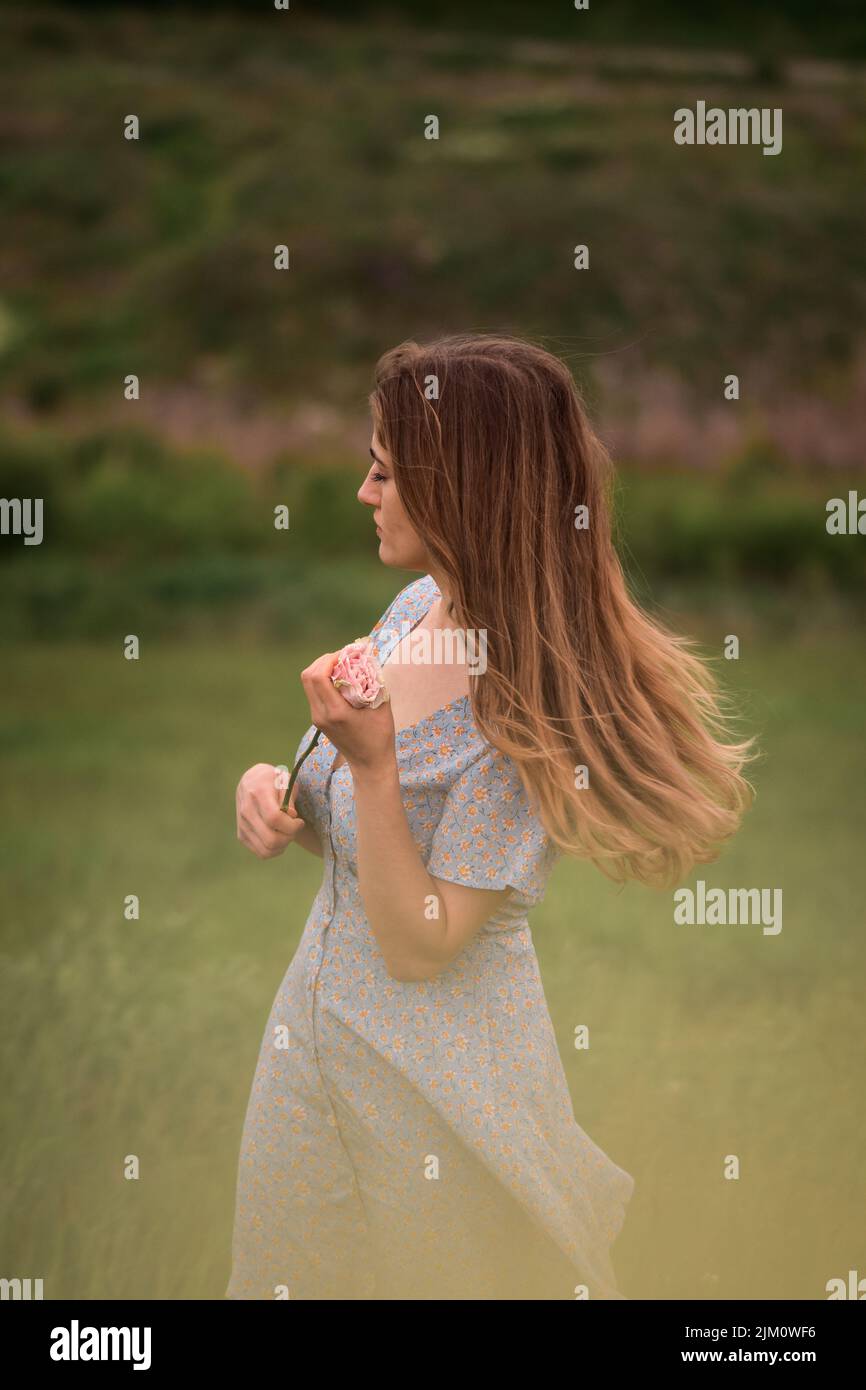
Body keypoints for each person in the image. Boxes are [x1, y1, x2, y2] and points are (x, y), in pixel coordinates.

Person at [225, 332, 754, 1300]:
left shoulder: (523, 705)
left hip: (437, 1091)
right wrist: (270, 790)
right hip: (313, 1044)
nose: (363, 491)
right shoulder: (412, 611)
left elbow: (419, 942)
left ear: (458, 489)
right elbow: (341, 815)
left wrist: (375, 766)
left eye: (384, 472)